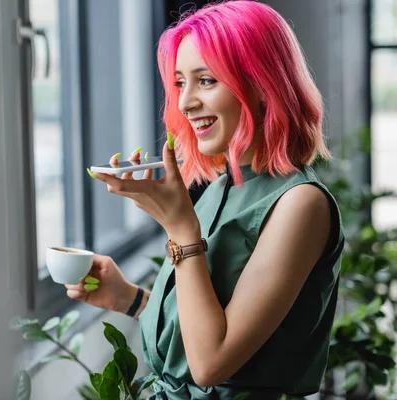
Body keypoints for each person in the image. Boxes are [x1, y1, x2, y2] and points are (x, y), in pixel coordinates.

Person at [69, 1, 344, 399]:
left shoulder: (300, 204)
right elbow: (203, 330)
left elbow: (210, 365)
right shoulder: (222, 187)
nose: (184, 102)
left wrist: (180, 228)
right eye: (181, 82)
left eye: (207, 80)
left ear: (264, 84)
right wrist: (127, 298)